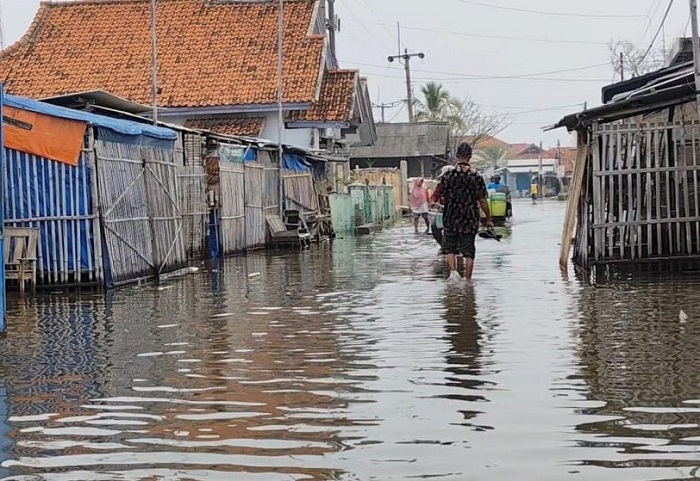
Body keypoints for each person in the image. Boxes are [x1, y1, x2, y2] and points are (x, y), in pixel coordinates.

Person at [438, 142, 493, 280]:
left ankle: (453, 275)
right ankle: (468, 281)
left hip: (451, 216)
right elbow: (482, 200)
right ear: (470, 157)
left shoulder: (448, 176)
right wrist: (488, 218)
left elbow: (442, 198)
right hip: (470, 217)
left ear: (457, 156)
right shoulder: (477, 177)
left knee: (450, 248)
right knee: (468, 251)